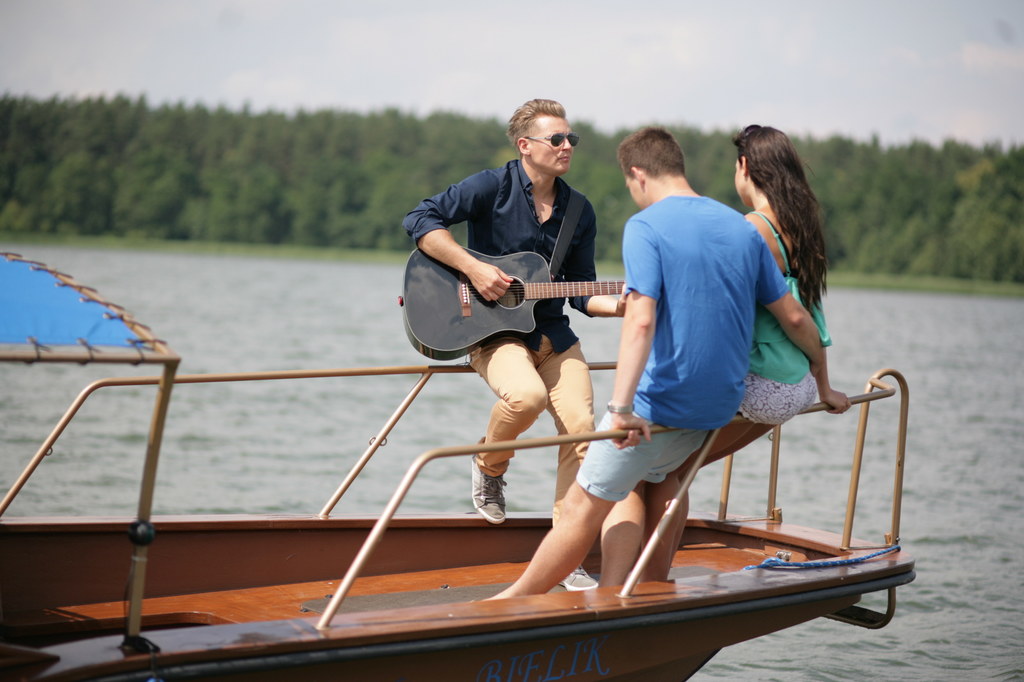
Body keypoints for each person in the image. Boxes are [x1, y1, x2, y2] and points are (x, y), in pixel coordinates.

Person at [490, 125, 830, 599]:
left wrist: (622, 408)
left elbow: (642, 321)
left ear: (637, 175)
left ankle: (514, 601)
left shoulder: (646, 226)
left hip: (664, 399)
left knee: (582, 506)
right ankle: (641, 588)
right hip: (719, 402)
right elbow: (794, 316)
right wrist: (824, 382)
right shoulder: (740, 226)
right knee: (658, 475)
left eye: (630, 186)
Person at [402, 99, 623, 590]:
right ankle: (489, 465)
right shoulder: (489, 187)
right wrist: (474, 268)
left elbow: (583, 291)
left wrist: (624, 305)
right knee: (527, 398)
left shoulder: (579, 210)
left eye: (572, 139)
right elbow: (420, 220)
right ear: (525, 146)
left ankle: (567, 558)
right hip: (492, 332)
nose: (568, 147)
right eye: (557, 140)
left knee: (583, 432)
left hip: (553, 336)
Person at [619, 124, 852, 585]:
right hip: (796, 384)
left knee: (658, 470)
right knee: (670, 469)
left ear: (745, 167)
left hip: (758, 386)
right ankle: (650, 577)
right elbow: (809, 321)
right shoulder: (800, 228)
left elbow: (789, 318)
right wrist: (822, 384)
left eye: (734, 166)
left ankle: (646, 582)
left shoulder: (753, 229)